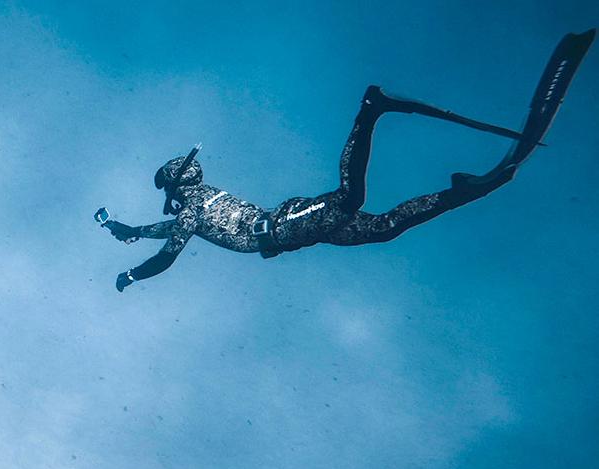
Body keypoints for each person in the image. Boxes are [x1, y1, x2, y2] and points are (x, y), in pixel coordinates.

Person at [101, 30, 595, 292]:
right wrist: (126, 232)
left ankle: (370, 109)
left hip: (284, 224)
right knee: (383, 229)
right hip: (294, 233)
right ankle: (462, 189)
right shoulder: (194, 205)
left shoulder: (193, 205)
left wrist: (133, 270)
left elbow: (169, 247)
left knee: (349, 198)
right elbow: (166, 233)